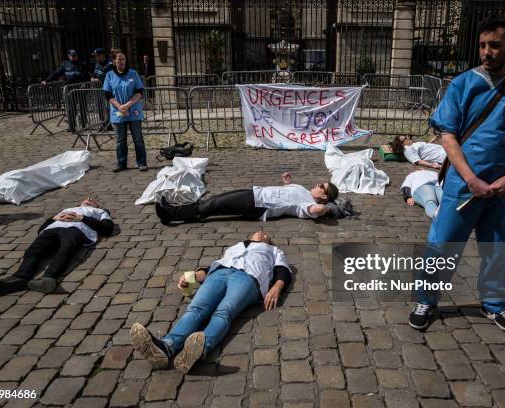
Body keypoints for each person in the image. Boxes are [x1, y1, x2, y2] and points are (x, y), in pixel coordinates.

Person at [408, 15, 505, 334]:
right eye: (483, 45)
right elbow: (447, 135)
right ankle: (427, 300)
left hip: (504, 187)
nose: (487, 52)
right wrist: (470, 178)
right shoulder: (463, 84)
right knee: (443, 243)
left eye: (495, 45)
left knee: (498, 247)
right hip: (464, 184)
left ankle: (494, 304)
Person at [130, 230, 291, 372]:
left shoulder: (274, 250)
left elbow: (283, 270)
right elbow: (210, 268)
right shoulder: (236, 246)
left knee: (224, 311)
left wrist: (276, 287)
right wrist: (191, 277)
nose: (261, 233)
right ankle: (166, 347)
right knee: (195, 309)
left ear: (268, 240)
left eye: (265, 234)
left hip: (248, 278)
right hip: (218, 274)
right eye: (259, 232)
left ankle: (199, 350)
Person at [0, 198, 114, 296]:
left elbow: (107, 229)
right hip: (52, 229)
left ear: (97, 205)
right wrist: (53, 219)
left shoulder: (99, 212)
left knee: (66, 249)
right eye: (86, 199)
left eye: (93, 200)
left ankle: (48, 278)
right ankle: (19, 278)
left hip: (76, 229)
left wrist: (82, 218)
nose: (88, 199)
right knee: (34, 250)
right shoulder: (67, 209)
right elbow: (40, 230)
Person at [155, 172, 339, 224]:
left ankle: (171, 214)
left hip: (257, 205)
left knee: (213, 205)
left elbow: (315, 210)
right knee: (214, 200)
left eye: (321, 186)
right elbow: (286, 193)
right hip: (255, 193)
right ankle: (177, 210)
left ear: (323, 196)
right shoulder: (303, 190)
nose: (317, 184)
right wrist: (287, 182)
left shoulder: (308, 204)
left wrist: (327, 208)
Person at [103, 51, 148, 172]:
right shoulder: (109, 75)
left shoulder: (133, 74)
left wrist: (128, 105)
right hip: (118, 112)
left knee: (138, 138)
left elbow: (139, 92)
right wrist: (119, 106)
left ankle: (142, 163)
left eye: (123, 59)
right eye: (119, 60)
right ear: (114, 62)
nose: (122, 62)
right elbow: (107, 94)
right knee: (120, 140)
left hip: (133, 111)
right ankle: (121, 164)